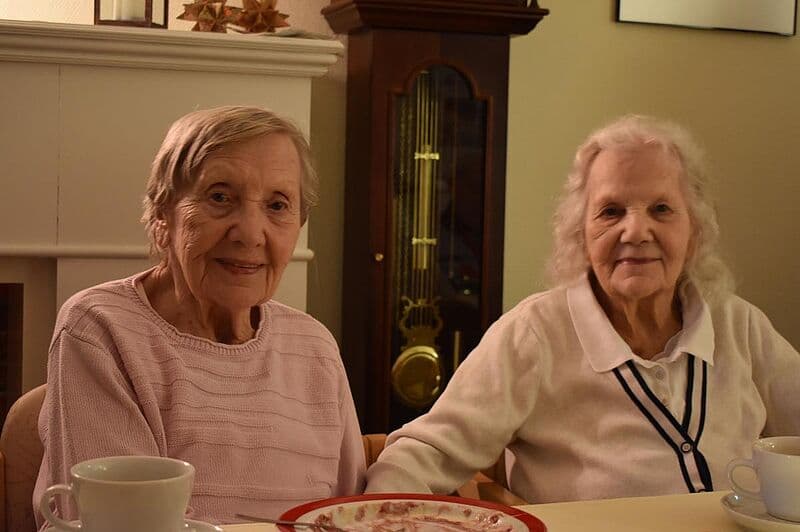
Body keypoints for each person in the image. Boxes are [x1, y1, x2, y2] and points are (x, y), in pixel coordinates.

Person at [365, 114, 800, 503]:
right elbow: (424, 454)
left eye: (661, 209)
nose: (636, 231)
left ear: (695, 229)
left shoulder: (738, 324)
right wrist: (381, 517)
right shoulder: (535, 333)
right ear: (580, 233)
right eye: (611, 211)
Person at [34, 106, 365, 527]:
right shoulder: (100, 329)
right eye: (220, 197)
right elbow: (122, 523)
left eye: (277, 205)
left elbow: (353, 513)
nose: (250, 234)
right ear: (162, 214)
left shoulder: (314, 346)